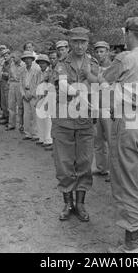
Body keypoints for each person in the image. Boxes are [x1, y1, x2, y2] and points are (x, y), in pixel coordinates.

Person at [86, 18, 138, 252]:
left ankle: (132, 244)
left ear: (130, 34)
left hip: (129, 120)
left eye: (125, 34)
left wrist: (91, 75)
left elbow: (103, 80)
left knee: (126, 184)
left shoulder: (125, 58)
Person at [51, 27, 95, 223]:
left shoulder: (93, 64)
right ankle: (68, 203)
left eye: (82, 42)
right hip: (64, 121)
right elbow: (61, 86)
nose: (79, 46)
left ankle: (81, 203)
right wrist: (79, 91)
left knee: (85, 163)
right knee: (64, 163)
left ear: (87, 43)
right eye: (75, 41)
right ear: (70, 43)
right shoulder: (62, 64)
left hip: (85, 122)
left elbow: (99, 85)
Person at [92, 41, 112, 181]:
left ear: (108, 51)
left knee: (111, 140)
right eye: (98, 52)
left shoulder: (114, 68)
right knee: (98, 140)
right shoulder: (95, 69)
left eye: (102, 51)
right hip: (97, 106)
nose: (100, 54)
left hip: (109, 108)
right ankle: (101, 167)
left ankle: (113, 170)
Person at [20, 51, 41, 140]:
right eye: (26, 59)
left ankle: (36, 134)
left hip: (33, 94)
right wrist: (23, 94)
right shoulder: (23, 70)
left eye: (29, 59)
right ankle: (28, 133)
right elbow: (20, 83)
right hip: (25, 93)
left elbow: (38, 84)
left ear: (32, 60)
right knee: (26, 115)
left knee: (34, 114)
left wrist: (32, 94)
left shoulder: (37, 70)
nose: (27, 60)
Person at [34, 54, 53, 150]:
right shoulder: (38, 73)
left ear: (47, 63)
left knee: (47, 118)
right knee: (39, 117)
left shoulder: (50, 72)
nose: (41, 65)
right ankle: (41, 137)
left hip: (47, 96)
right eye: (40, 63)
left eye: (43, 63)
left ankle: (48, 139)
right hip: (39, 96)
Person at [7, 52, 26, 132]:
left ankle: (21, 125)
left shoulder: (24, 65)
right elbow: (10, 75)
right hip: (12, 84)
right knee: (11, 105)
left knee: (20, 106)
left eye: (14, 57)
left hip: (20, 85)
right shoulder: (12, 65)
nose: (13, 59)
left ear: (19, 57)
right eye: (12, 57)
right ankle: (11, 124)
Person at [0, 49, 11, 126]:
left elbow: (10, 74)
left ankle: (9, 119)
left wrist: (3, 73)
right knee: (3, 101)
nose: (5, 57)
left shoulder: (11, 63)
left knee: (7, 101)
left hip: (8, 83)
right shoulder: (4, 63)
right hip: (2, 82)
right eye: (4, 56)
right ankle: (5, 116)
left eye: (6, 55)